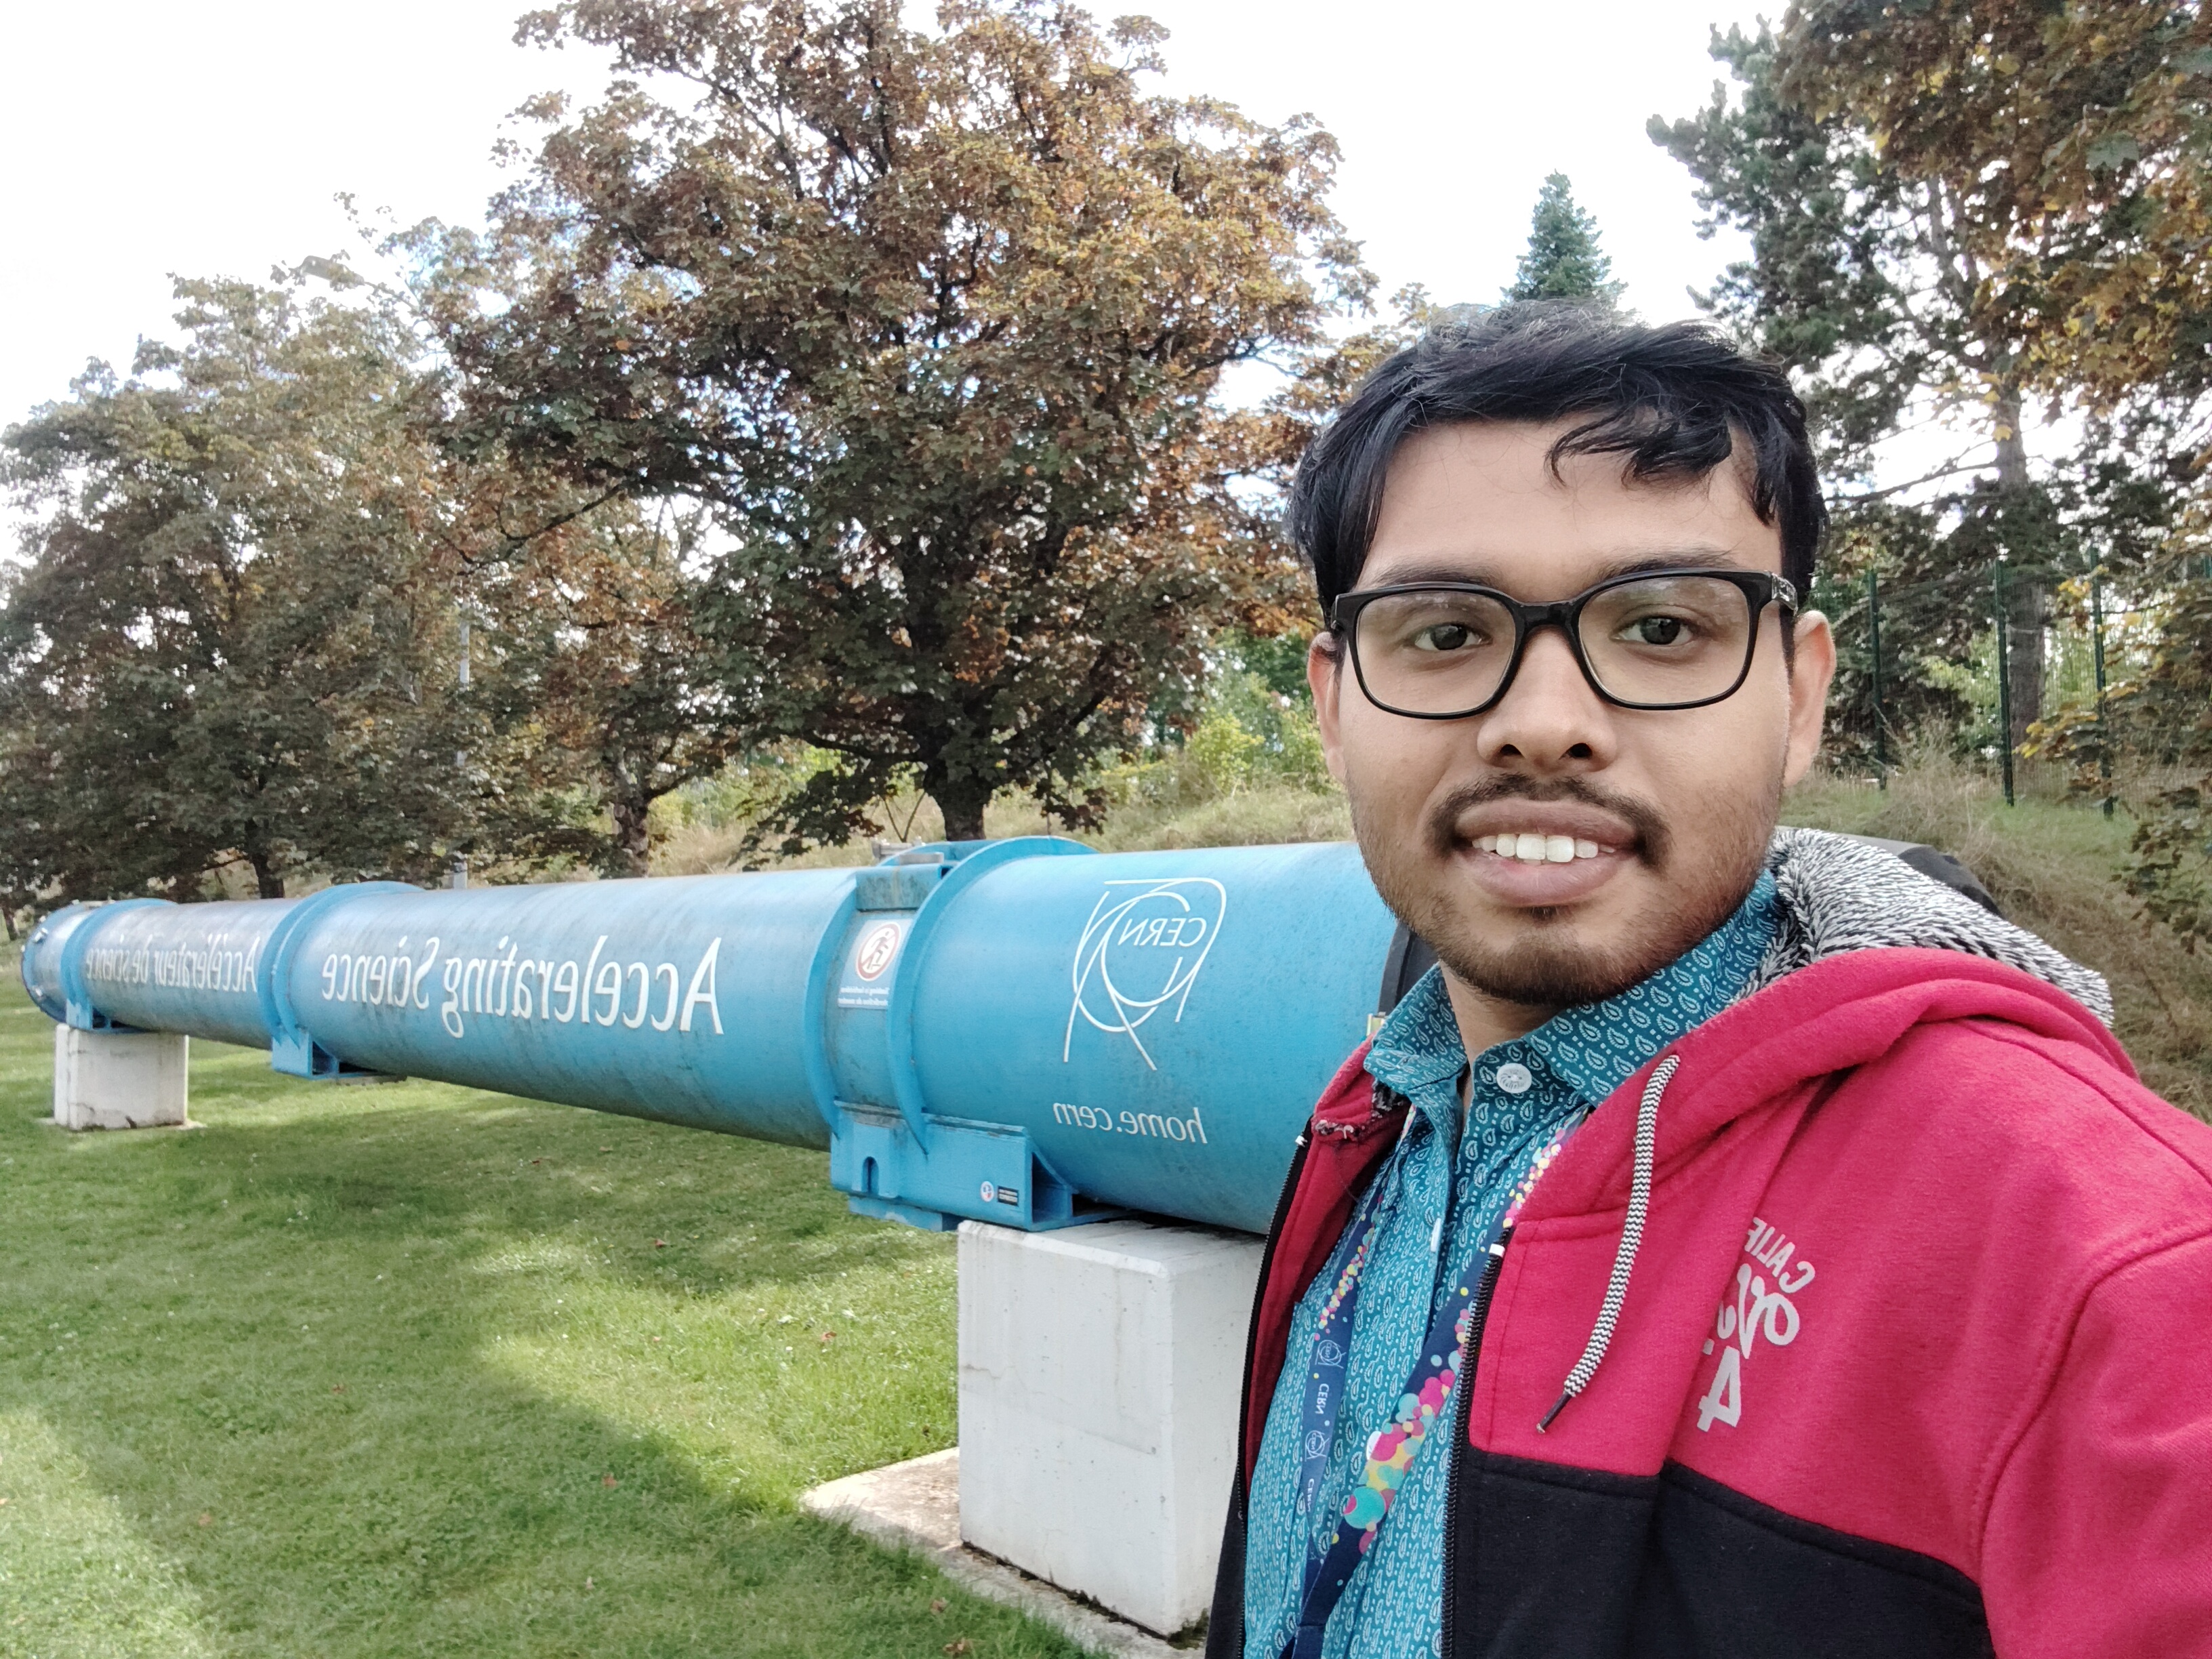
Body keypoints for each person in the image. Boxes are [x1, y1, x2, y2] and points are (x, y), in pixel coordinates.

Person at [1205, 306, 2212, 1659]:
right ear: (1335, 706)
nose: (1543, 725)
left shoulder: (2097, 1259)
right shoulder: (1382, 1112)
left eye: (1663, 625)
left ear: (1800, 697)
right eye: (1442, 634)